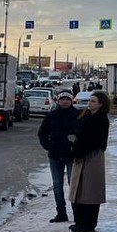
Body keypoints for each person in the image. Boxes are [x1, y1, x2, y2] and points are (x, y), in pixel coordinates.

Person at [65, 89, 111, 232]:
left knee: (90, 192)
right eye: (89, 101)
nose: (89, 104)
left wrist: (78, 145)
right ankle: (79, 222)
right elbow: (79, 133)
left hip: (92, 157)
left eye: (93, 101)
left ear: (101, 104)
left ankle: (88, 224)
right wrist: (74, 143)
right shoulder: (85, 116)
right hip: (80, 156)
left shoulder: (101, 119)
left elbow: (96, 140)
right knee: (78, 190)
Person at [38, 90, 79, 222]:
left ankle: (77, 213)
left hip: (72, 155)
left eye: (67, 99)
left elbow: (84, 134)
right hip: (55, 155)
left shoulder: (78, 115)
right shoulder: (52, 116)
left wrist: (76, 145)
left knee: (73, 185)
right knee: (57, 184)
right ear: (58, 101)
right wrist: (48, 145)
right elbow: (42, 133)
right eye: (62, 99)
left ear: (71, 100)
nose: (65, 101)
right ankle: (61, 212)